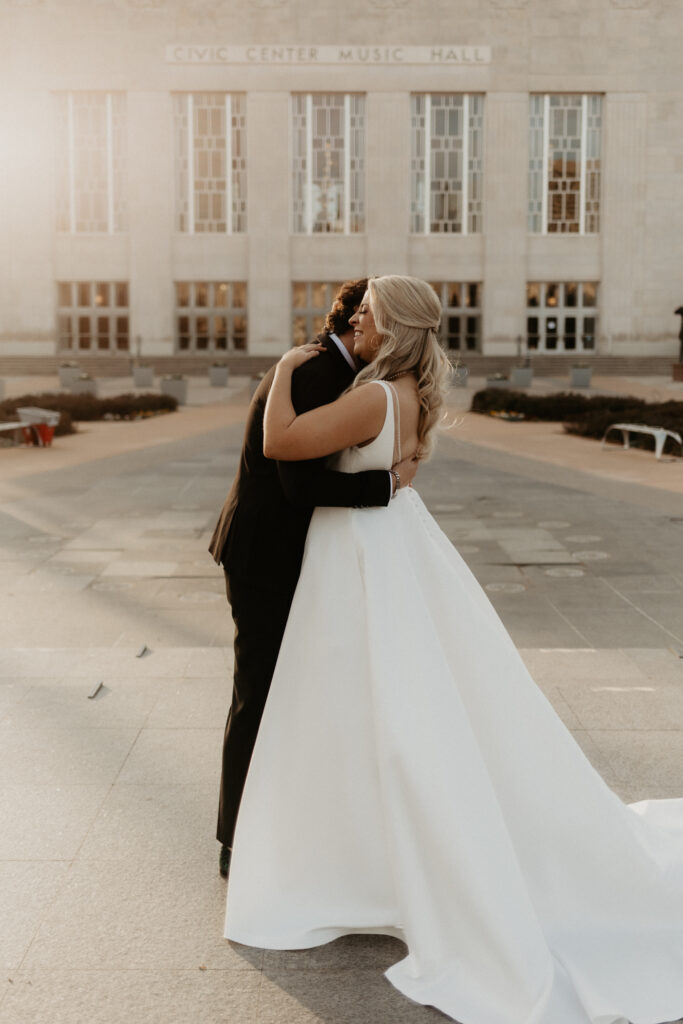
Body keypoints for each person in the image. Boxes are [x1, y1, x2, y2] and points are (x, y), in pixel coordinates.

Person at [224, 275, 683, 1024]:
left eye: (369, 315)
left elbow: (281, 441)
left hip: (358, 555)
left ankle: (358, 850)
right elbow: (394, 471)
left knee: (369, 701)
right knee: (382, 696)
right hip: (380, 541)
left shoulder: (373, 397)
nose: (356, 321)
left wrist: (279, 371)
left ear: (394, 328)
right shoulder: (407, 391)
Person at [208, 278, 419, 879]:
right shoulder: (314, 370)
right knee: (259, 690)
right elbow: (298, 483)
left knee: (287, 690)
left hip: (285, 551)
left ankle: (281, 821)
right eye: (376, 315)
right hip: (264, 555)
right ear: (357, 319)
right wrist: (387, 485)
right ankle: (235, 838)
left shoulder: (336, 371)